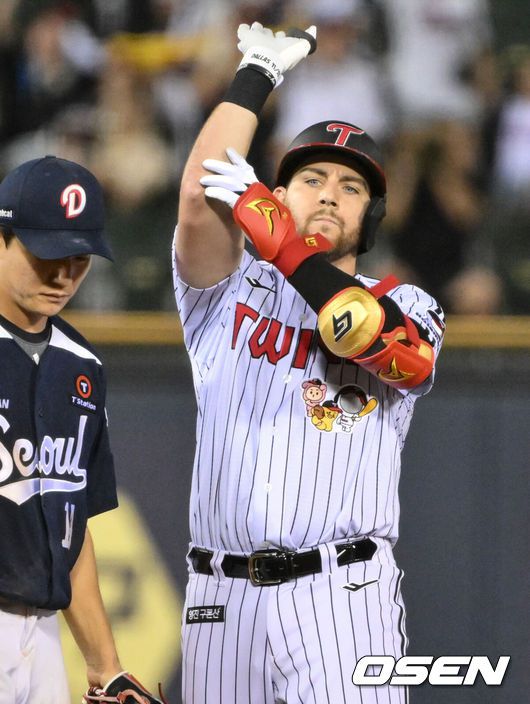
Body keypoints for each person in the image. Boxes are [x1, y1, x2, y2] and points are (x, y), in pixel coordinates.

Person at [174, 21, 445, 704]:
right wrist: (256, 73)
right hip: (219, 601)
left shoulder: (406, 300)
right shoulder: (230, 289)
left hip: (342, 595)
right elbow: (199, 195)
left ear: (372, 216)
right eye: (312, 178)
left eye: (351, 187)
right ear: (276, 195)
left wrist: (286, 248)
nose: (327, 193)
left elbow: (398, 355)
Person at [0, 156, 164, 703]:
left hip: (43, 635)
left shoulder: (82, 365)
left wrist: (105, 666)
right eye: (46, 254)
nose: (62, 276)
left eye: (78, 259)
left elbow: (70, 526)